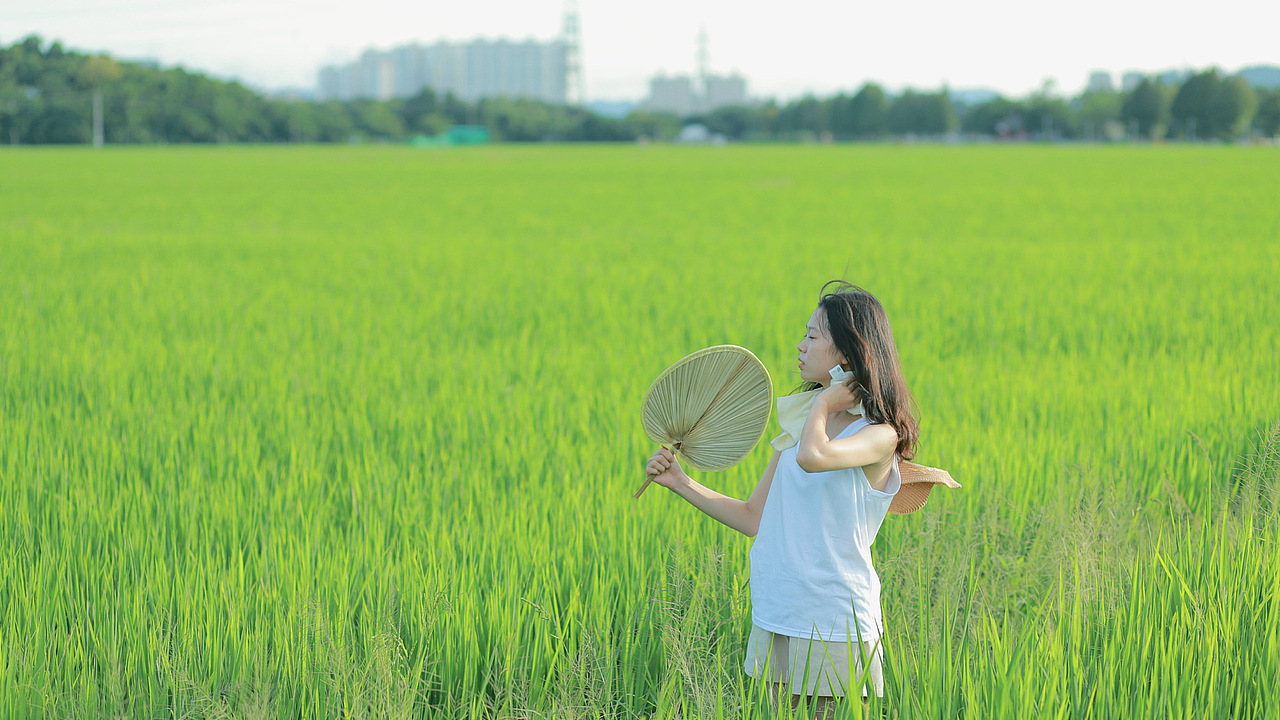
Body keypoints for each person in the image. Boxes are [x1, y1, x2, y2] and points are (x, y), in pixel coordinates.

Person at [643, 280, 920, 715]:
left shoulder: (879, 436)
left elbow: (815, 458)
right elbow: (756, 517)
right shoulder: (797, 430)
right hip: (779, 609)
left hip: (835, 619)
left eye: (812, 337)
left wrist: (822, 406)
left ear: (848, 352)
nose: (800, 346)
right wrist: (680, 482)